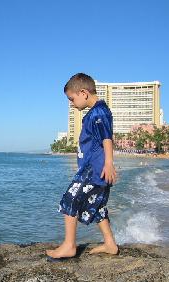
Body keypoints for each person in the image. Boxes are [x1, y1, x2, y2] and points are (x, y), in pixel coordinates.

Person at [46, 73, 118, 261]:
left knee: (69, 201)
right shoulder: (96, 112)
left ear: (84, 93)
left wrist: (109, 163)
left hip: (94, 169)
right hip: (93, 168)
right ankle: (110, 244)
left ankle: (69, 246)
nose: (71, 103)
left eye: (72, 98)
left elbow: (107, 138)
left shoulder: (98, 112)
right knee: (97, 205)